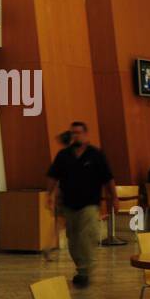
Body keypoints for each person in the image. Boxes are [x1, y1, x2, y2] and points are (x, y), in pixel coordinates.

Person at [46, 121, 115, 289]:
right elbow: (53, 176)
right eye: (73, 133)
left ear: (86, 134)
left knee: (87, 235)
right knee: (73, 238)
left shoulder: (96, 155)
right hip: (69, 204)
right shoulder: (63, 155)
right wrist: (49, 194)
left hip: (90, 203)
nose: (75, 135)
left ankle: (86, 270)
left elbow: (108, 178)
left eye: (78, 132)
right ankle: (81, 269)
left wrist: (115, 197)